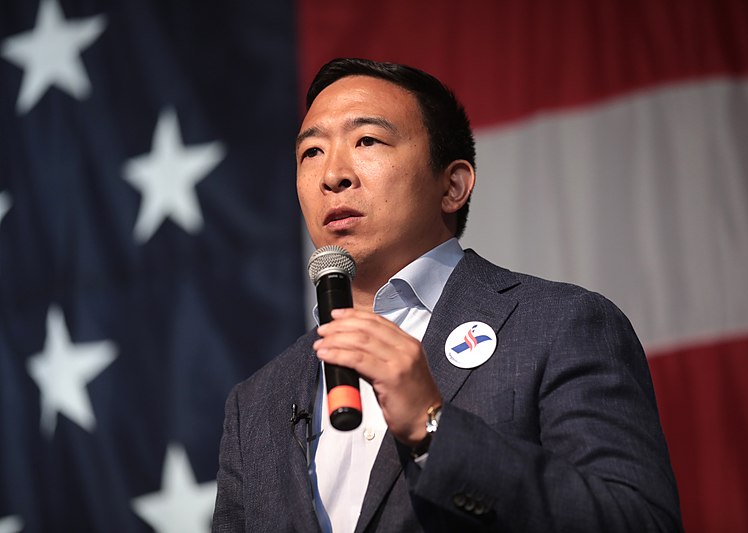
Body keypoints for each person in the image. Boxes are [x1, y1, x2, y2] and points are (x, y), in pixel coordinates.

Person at [212, 58, 682, 532]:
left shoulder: (560, 325)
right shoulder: (255, 403)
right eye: (311, 152)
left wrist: (435, 428)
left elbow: (639, 522)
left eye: (367, 140)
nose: (333, 174)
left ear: (452, 184)